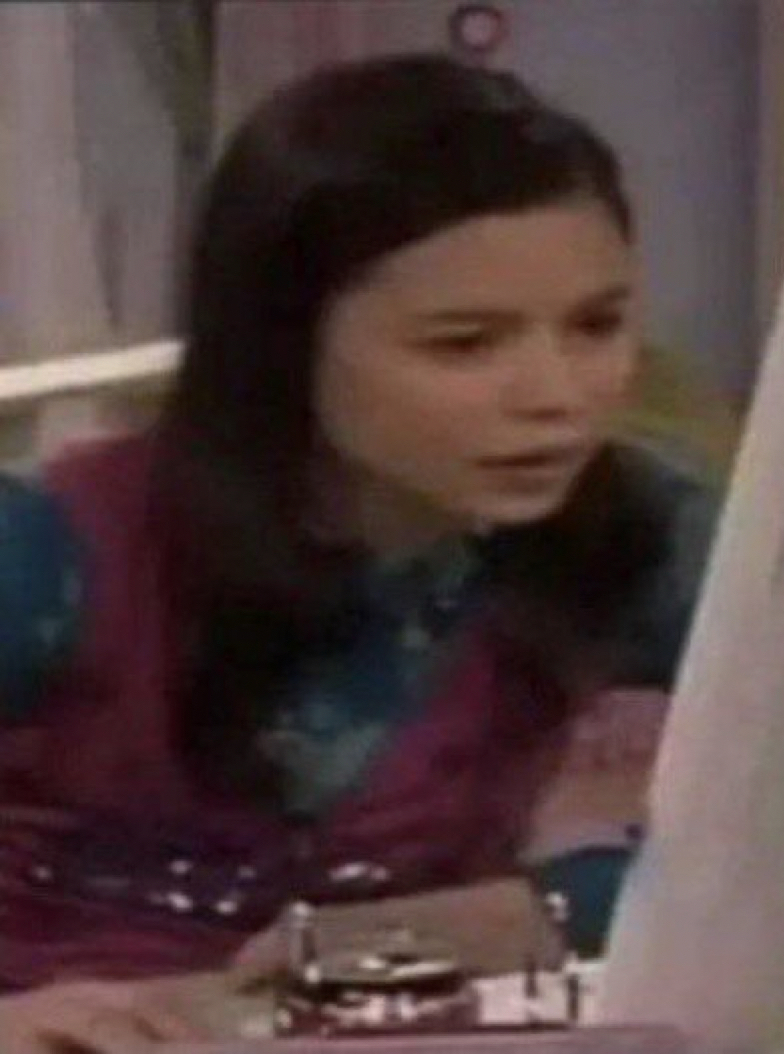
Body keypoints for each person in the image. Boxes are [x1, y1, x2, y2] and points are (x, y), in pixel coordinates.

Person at [0, 54, 719, 1050]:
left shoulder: (644, 534)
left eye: (595, 326)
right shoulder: (58, 546)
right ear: (282, 345)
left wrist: (535, 910)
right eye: (464, 344)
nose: (556, 395)